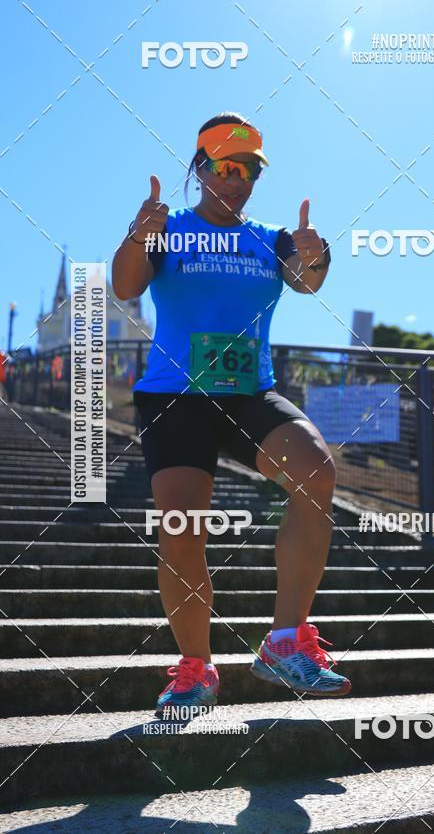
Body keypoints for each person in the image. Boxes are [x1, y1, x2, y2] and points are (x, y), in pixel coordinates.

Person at [112, 111, 351, 717]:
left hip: (248, 392)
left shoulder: (271, 238)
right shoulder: (170, 229)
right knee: (182, 529)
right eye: (225, 166)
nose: (237, 180)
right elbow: (125, 288)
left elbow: (305, 281)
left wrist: (316, 256)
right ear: (199, 169)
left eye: (249, 170)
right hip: (176, 395)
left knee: (316, 471)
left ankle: (284, 642)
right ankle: (195, 670)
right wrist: (139, 235)